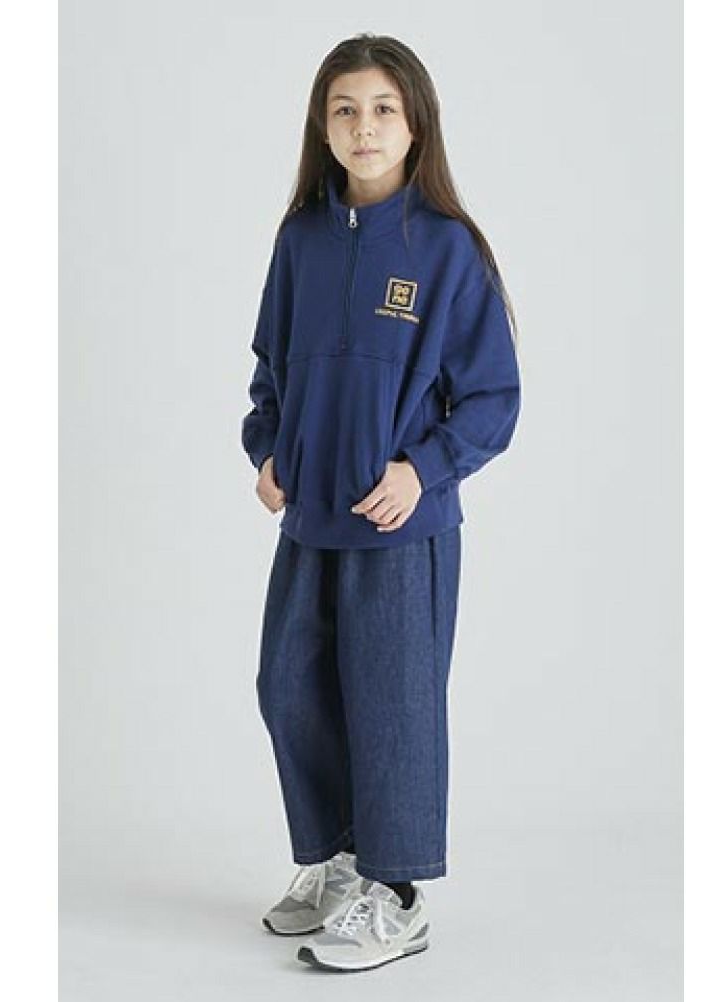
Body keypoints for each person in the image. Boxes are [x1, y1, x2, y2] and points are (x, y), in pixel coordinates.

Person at [241, 32, 522, 973]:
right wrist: (266, 450)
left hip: (403, 528)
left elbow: (492, 398)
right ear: (322, 129)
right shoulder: (300, 242)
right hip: (309, 521)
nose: (364, 127)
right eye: (345, 110)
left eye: (383, 110)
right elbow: (269, 373)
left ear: (415, 125)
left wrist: (421, 470)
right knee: (289, 687)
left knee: (392, 706)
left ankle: (396, 895)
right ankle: (335, 861)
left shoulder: (446, 248)